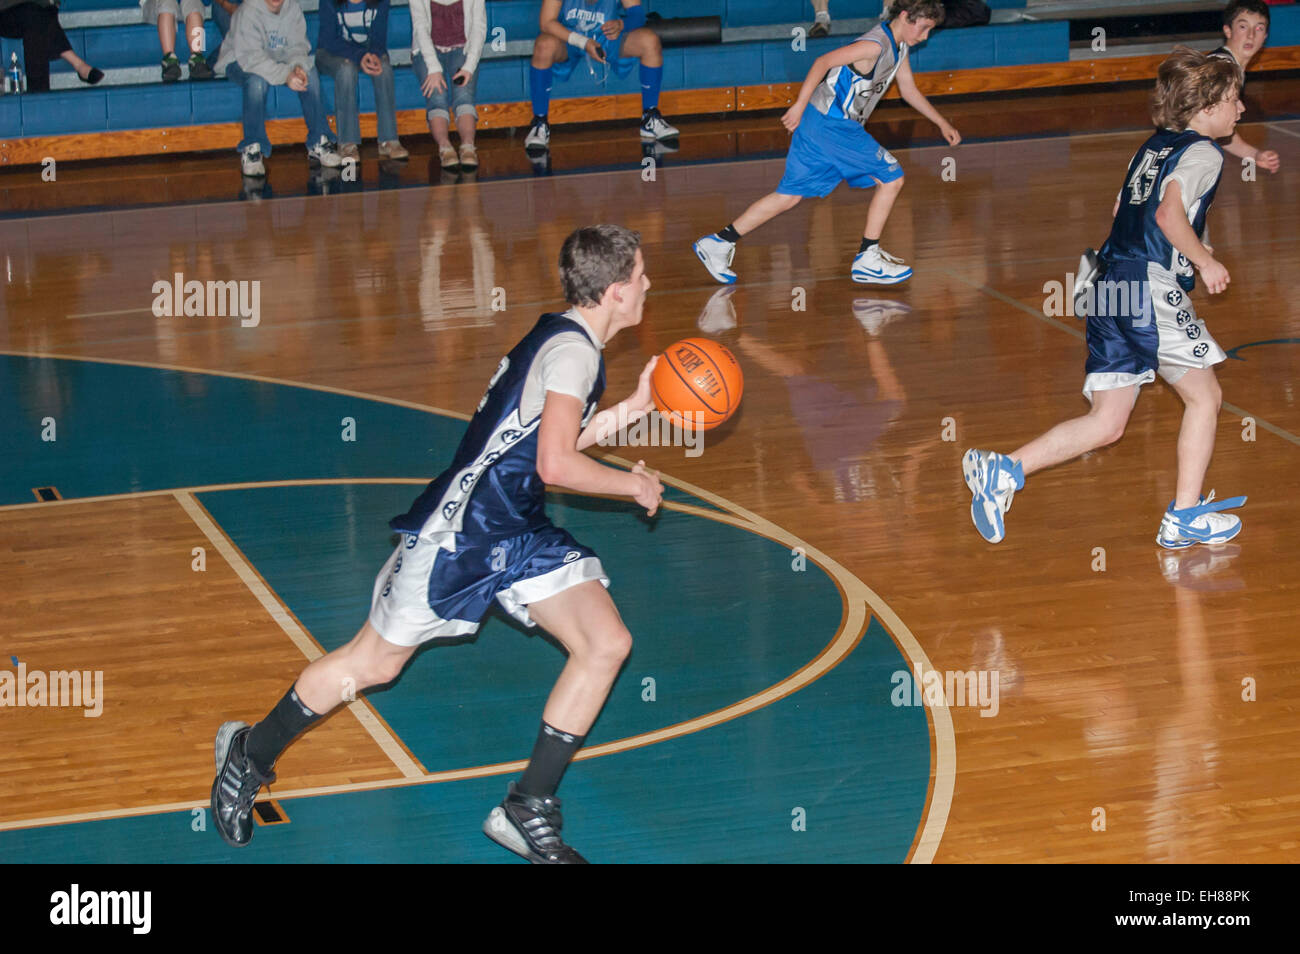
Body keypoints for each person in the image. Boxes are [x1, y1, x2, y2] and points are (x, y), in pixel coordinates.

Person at [210, 225, 665, 864]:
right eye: (641, 276)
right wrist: (633, 487)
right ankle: (247, 755)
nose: (647, 284)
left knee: (606, 642)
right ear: (616, 292)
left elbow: (541, 449)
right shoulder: (575, 356)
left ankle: (527, 806)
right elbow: (557, 465)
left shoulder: (568, 336)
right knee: (374, 665)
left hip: (518, 529)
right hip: (462, 534)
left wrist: (632, 410)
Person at [963, 48, 1247, 549]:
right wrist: (1202, 261)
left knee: (1108, 422)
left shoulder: (1154, 146)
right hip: (1143, 285)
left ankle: (1003, 471)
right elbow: (1166, 217)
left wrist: (1184, 250)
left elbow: (1123, 207)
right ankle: (1184, 515)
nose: (1241, 109)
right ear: (1205, 110)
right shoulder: (1204, 152)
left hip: (1103, 279)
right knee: (1206, 398)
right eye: (1233, 100)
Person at [693, 0, 959, 287]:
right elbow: (823, 61)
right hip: (834, 126)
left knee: (789, 196)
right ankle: (867, 257)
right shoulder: (874, 45)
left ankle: (719, 242)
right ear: (906, 17)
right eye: (924, 28)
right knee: (891, 178)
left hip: (817, 125)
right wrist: (798, 104)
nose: (925, 36)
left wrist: (942, 122)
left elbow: (908, 90)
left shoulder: (900, 47)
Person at [524, 0, 679, 156]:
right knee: (544, 45)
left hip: (607, 36)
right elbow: (546, 22)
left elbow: (637, 15)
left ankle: (650, 116)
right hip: (569, 37)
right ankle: (540, 122)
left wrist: (621, 24)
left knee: (649, 40)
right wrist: (583, 42)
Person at [215, 0, 342, 176]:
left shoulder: (293, 8)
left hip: (277, 58)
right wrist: (286, 75)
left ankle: (319, 142)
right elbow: (251, 59)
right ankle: (253, 148)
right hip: (239, 60)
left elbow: (298, 46)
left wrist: (297, 66)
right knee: (256, 82)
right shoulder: (248, 11)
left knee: (309, 73)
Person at [316, 0, 408, 161]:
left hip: (365, 50)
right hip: (330, 52)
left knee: (384, 67)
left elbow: (379, 37)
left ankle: (389, 140)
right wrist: (360, 57)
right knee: (346, 70)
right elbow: (329, 40)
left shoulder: (381, 2)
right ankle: (347, 144)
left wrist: (373, 55)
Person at [411, 0, 485, 171]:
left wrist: (469, 67)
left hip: (462, 48)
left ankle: (468, 146)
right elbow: (420, 27)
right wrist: (433, 67)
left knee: (463, 94)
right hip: (428, 50)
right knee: (437, 95)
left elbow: (479, 28)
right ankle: (444, 147)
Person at [1209, 0, 1280, 173]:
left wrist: (1254, 154)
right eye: (1243, 27)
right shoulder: (1222, 66)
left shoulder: (1231, 67)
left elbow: (1220, 130)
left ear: (1265, 37)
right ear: (1227, 30)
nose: (1250, 35)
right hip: (1179, 151)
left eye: (1259, 28)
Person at [0, 0, 102, 91]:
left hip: (41, 11)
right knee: (35, 14)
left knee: (38, 17)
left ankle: (38, 93)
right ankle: (77, 64)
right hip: (6, 12)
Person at [140, 0, 212, 82]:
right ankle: (169, 59)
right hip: (156, 6)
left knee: (194, 5)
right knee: (167, 3)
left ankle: (197, 57)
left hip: (182, 5)